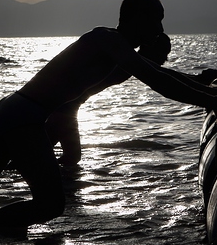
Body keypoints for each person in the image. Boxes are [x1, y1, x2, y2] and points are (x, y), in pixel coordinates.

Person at [0, 0, 217, 238]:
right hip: (26, 115)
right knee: (49, 205)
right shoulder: (106, 38)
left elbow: (166, 75)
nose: (161, 26)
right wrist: (215, 101)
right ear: (136, 18)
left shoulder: (119, 52)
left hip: (14, 110)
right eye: (156, 19)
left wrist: (214, 93)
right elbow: (158, 80)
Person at [46, 32, 172, 166]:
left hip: (63, 106)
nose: (165, 59)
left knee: (43, 149)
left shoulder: (129, 61)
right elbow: (162, 78)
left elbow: (164, 75)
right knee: (70, 157)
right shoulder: (127, 63)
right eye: (163, 54)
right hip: (64, 107)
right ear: (153, 51)